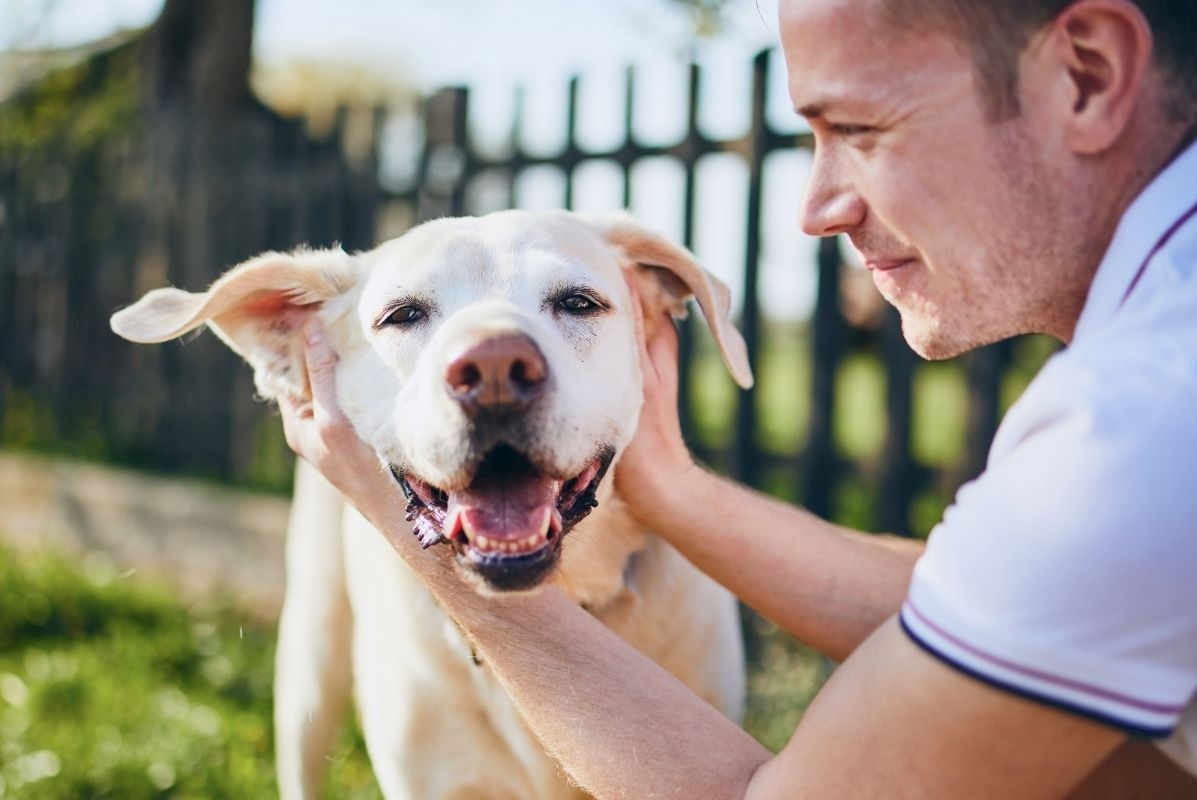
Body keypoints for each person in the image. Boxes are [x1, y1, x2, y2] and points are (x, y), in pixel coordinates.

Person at [279, 0, 1197, 795]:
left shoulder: (1143, 417)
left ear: (1085, 75)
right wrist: (671, 488)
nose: (816, 207)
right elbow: (1010, 609)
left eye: (860, 130)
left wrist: (423, 541)